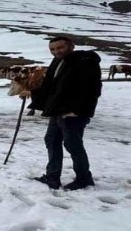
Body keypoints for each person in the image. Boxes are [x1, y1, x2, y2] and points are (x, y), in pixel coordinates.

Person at [29, 35, 102, 190]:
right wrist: (32, 92)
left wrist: (77, 111)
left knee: (72, 144)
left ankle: (84, 178)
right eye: (53, 49)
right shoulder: (58, 61)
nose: (56, 51)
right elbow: (51, 87)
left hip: (74, 113)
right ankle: (52, 177)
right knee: (51, 140)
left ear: (71, 46)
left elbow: (92, 89)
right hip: (58, 110)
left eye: (60, 47)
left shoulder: (85, 61)